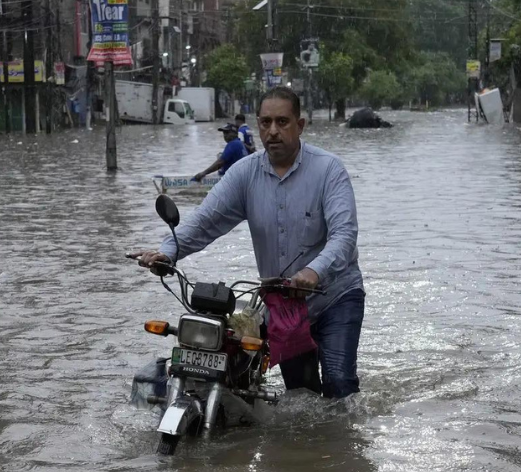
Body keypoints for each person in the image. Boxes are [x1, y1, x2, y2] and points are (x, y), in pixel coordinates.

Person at [135, 87, 365, 399]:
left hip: (335, 295)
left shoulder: (328, 170)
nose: (273, 131)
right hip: (285, 306)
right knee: (302, 396)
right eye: (266, 122)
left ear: (301, 125)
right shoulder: (245, 173)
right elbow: (206, 220)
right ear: (257, 125)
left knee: (338, 382)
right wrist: (168, 251)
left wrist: (313, 272)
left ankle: (344, 442)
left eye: (283, 122)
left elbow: (344, 235)